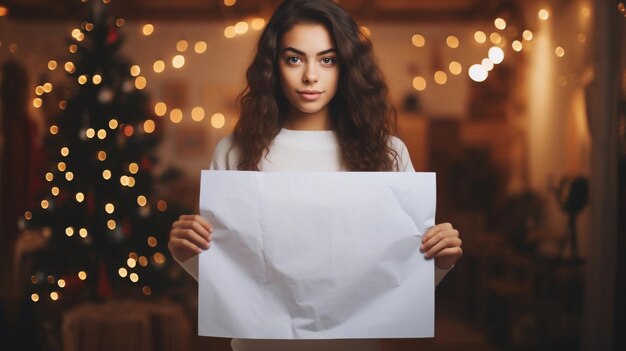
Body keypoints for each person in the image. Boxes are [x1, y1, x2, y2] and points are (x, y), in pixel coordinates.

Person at [168, 0, 462, 350]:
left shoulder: (389, 151)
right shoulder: (235, 150)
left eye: (327, 59)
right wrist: (187, 252)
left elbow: (395, 286)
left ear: (347, 65)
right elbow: (234, 281)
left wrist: (440, 261)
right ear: (273, 65)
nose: (310, 75)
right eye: (294, 58)